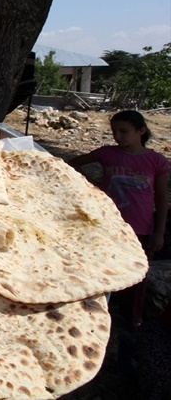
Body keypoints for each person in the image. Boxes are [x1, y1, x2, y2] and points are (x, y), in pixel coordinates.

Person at [69, 110, 169, 328]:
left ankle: (133, 318)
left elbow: (161, 197)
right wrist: (91, 185)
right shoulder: (107, 154)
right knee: (102, 268)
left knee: (137, 274)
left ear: (141, 131)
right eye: (115, 131)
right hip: (107, 223)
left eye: (124, 131)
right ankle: (98, 314)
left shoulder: (156, 161)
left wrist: (159, 231)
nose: (118, 136)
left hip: (141, 226)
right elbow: (73, 164)